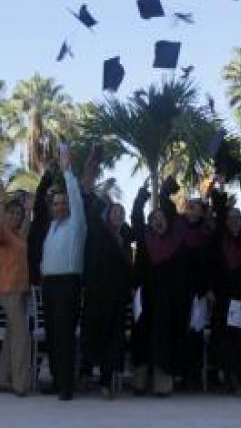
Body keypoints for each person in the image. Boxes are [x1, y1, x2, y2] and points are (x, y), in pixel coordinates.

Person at [81, 153, 133, 399]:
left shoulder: (126, 238)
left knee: (113, 340)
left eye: (121, 214)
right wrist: (94, 175)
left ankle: (105, 382)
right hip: (96, 295)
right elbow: (91, 207)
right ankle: (86, 375)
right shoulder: (99, 232)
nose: (117, 216)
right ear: (108, 215)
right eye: (114, 213)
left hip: (117, 298)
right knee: (93, 335)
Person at [37, 144, 88, 401]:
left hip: (68, 284)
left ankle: (68, 385)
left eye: (62, 203)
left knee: (66, 335)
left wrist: (67, 168)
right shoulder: (52, 228)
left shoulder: (77, 223)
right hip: (50, 285)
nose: (58, 206)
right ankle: (57, 380)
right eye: (55, 204)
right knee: (53, 335)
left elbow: (76, 197)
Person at [159, 178, 215, 390]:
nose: (191, 209)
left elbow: (210, 264)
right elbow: (165, 203)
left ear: (201, 212)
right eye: (189, 206)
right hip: (175, 289)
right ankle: (176, 373)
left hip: (197, 291)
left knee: (195, 332)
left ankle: (191, 375)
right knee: (176, 330)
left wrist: (208, 288)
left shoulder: (205, 233)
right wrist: (168, 187)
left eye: (196, 207)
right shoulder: (176, 225)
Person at [130, 185, 183, 396]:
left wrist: (164, 195)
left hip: (166, 299)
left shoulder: (175, 242)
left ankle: (162, 384)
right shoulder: (144, 238)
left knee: (163, 338)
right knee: (142, 337)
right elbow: (136, 218)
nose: (157, 220)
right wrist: (141, 198)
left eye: (161, 217)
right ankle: (139, 382)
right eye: (154, 218)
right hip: (145, 296)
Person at [208, 179, 241, 393]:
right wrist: (209, 290)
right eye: (230, 218)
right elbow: (208, 269)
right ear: (225, 220)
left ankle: (238, 375)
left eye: (237, 218)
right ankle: (225, 376)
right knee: (222, 337)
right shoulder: (218, 242)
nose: (234, 221)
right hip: (221, 297)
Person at [0, 191, 33, 396]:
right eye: (12, 213)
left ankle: (3, 379)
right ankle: (20, 385)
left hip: (20, 291)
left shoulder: (18, 235)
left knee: (12, 336)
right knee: (21, 337)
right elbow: (0, 224)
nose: (15, 217)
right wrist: (1, 204)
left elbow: (26, 226)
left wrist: (28, 210)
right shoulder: (2, 234)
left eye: (17, 214)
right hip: (8, 291)